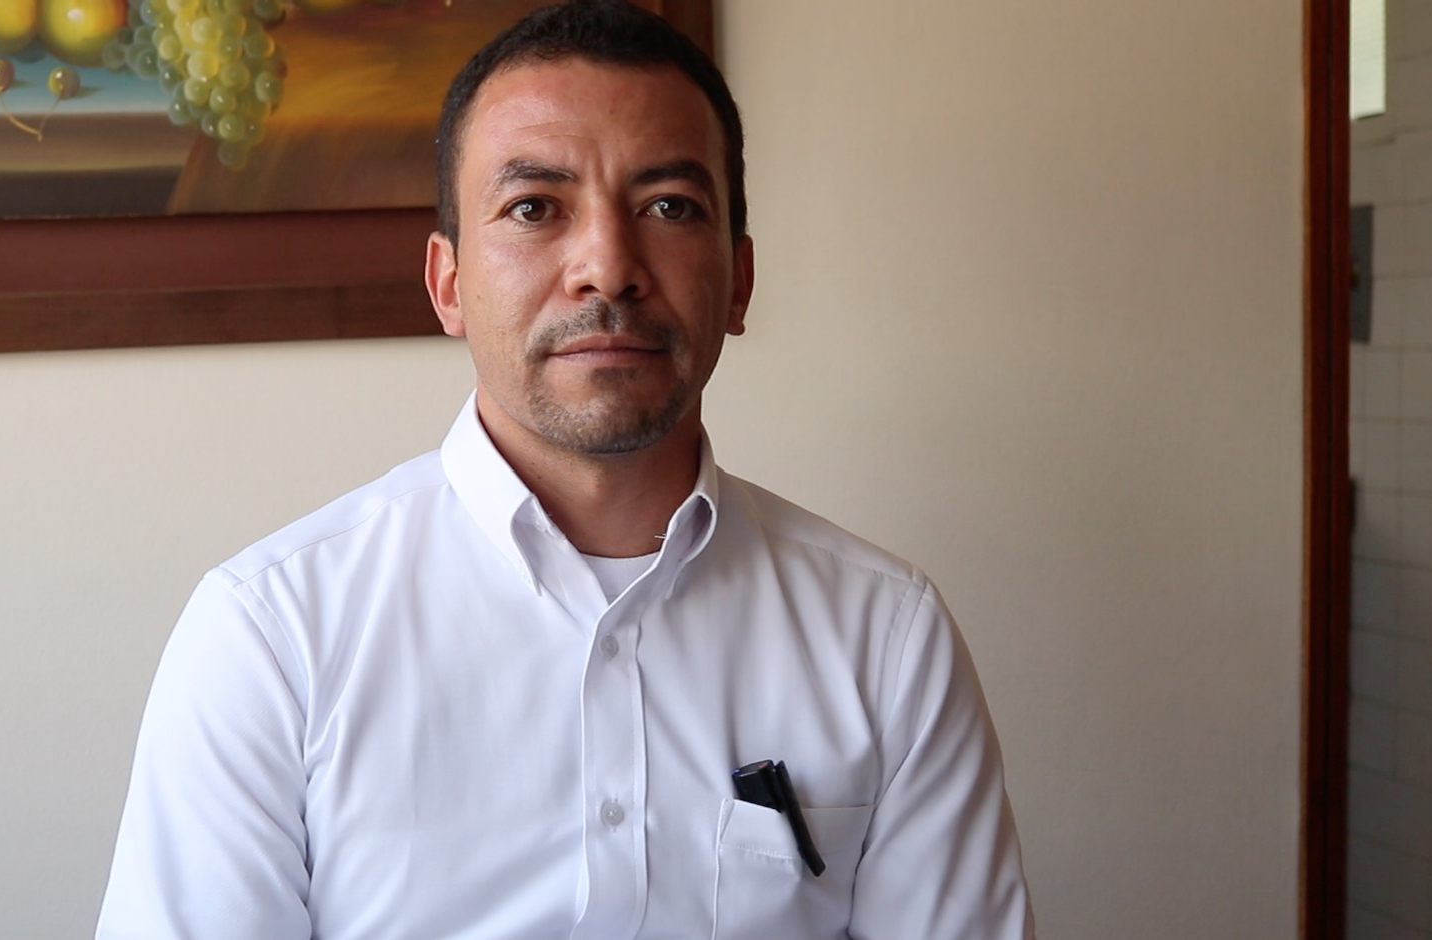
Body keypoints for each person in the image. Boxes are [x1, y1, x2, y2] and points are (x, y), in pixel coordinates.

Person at [95, 2, 1033, 938]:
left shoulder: (885, 636)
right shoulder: (273, 636)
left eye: (668, 207)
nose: (607, 267)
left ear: (738, 280)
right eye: (534, 208)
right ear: (448, 284)